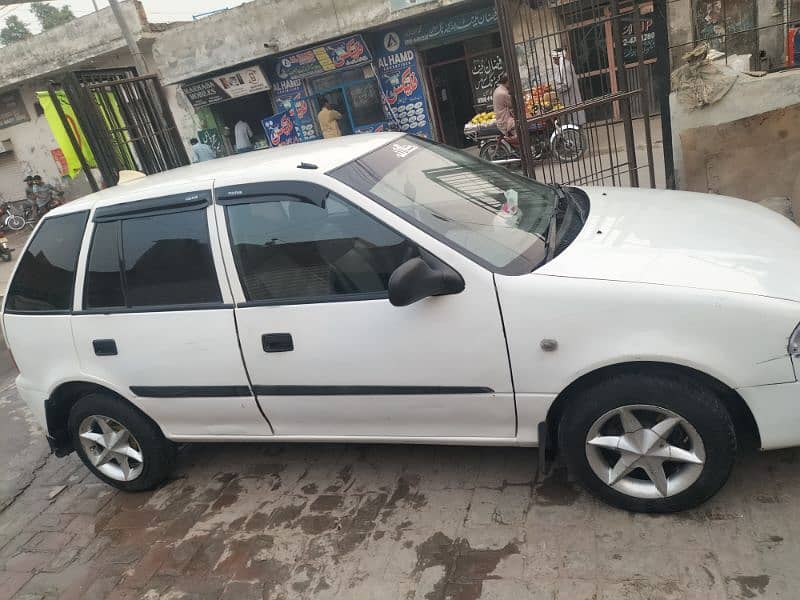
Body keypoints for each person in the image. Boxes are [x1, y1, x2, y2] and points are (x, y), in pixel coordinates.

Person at [551, 48, 586, 125]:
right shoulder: (562, 66)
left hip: (571, 100)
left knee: (575, 125)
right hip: (568, 101)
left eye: (554, 59)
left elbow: (567, 84)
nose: (553, 61)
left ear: (559, 58)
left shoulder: (565, 66)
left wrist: (555, 88)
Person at [492, 73, 517, 143]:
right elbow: (513, 104)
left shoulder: (498, 90)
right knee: (522, 126)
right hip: (505, 120)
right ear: (507, 82)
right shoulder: (503, 93)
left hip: (501, 118)